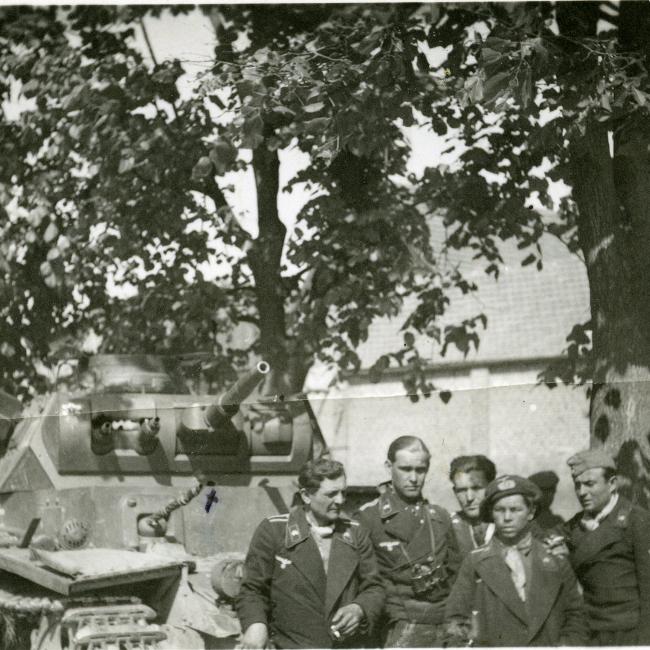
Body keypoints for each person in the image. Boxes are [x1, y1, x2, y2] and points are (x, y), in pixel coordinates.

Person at [236, 458, 384, 649]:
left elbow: (375, 588)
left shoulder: (355, 533)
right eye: (331, 494)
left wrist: (359, 609)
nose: (340, 500)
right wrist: (256, 625)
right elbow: (252, 590)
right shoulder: (274, 531)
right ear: (306, 496)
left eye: (343, 492)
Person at [445, 474, 587, 647]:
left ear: (531, 512)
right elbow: (456, 620)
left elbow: (576, 615)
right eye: (499, 510)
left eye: (515, 510)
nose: (507, 518)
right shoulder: (476, 561)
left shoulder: (554, 560)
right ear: (491, 513)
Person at [357, 436, 460, 647]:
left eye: (420, 470)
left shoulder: (440, 517)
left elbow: (456, 575)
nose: (413, 478)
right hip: (397, 627)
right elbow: (365, 584)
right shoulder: (369, 518)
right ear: (389, 467)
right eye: (405, 469)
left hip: (443, 624)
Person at [564, 448, 650, 645]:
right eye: (577, 485)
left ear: (612, 484)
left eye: (589, 484)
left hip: (628, 633)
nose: (582, 492)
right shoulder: (575, 525)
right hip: (589, 632)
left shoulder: (637, 520)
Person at [448, 455, 497, 558]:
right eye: (461, 490)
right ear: (455, 492)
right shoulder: (448, 526)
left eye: (476, 488)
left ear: (492, 487)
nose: (469, 498)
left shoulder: (509, 520)